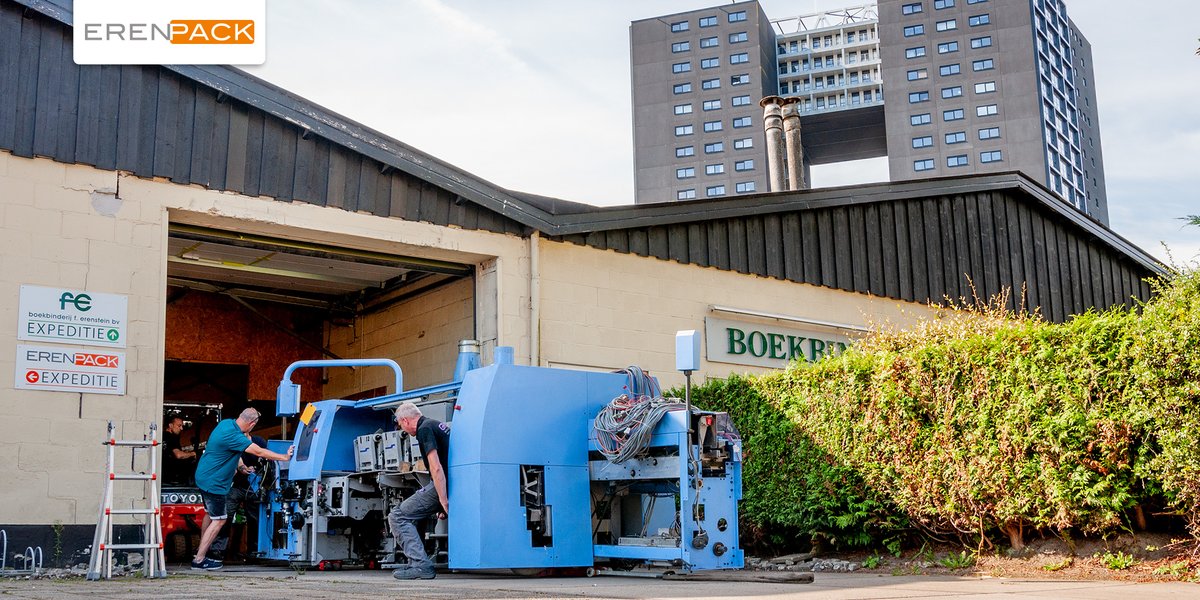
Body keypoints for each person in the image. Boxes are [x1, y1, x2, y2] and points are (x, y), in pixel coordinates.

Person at [190, 408, 292, 571]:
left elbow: (231, 452)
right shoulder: (235, 436)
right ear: (252, 424)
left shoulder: (225, 425)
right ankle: (200, 559)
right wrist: (284, 457)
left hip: (204, 477)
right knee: (220, 520)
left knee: (210, 514)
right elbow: (258, 451)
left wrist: (242, 467)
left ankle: (201, 551)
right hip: (214, 483)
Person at [388, 402, 450, 580]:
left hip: (443, 483)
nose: (403, 430)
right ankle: (418, 562)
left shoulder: (424, 429)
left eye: (401, 425)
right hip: (449, 482)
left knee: (397, 516)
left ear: (405, 420)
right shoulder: (435, 424)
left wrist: (443, 500)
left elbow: (436, 467)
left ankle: (421, 565)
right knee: (413, 515)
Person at [210, 434, 267, 563]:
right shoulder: (233, 441)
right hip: (236, 485)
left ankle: (254, 552)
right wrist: (242, 468)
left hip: (254, 486)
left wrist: (257, 468)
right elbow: (235, 457)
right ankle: (218, 551)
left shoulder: (259, 441)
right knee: (224, 517)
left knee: (255, 519)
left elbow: (267, 458)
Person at [161, 416, 197, 486]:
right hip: (172, 479)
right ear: (170, 425)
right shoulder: (171, 437)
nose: (181, 428)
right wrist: (193, 454)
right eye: (179, 426)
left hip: (163, 477)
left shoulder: (163, 436)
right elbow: (178, 455)